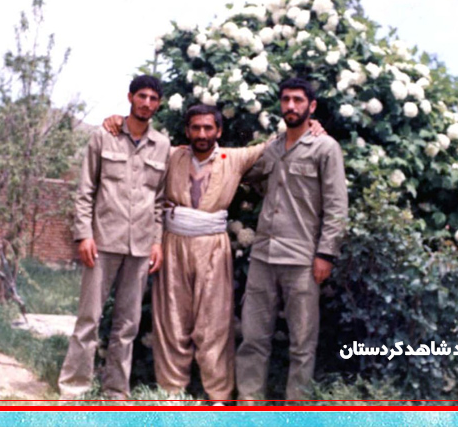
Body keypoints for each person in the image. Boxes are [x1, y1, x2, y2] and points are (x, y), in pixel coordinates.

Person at [102, 104, 325, 404]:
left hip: (213, 247)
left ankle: (218, 394)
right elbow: (141, 142)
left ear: (218, 130)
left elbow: (273, 144)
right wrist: (119, 121)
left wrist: (310, 126)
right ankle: (171, 392)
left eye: (208, 128)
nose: (202, 134)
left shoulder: (233, 158)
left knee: (215, 323)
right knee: (171, 319)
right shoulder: (171, 154)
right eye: (195, 127)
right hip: (174, 243)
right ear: (187, 130)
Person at [58, 75, 171, 401]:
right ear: (130, 97)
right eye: (141, 96)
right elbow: (86, 190)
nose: (146, 103)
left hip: (140, 247)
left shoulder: (162, 145)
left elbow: (159, 201)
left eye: (153, 98)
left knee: (127, 325)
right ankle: (73, 389)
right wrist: (84, 235)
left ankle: (115, 392)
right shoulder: (103, 136)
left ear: (158, 104)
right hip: (103, 242)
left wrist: (156, 241)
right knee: (88, 319)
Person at [236, 77, 348, 403]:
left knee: (302, 344)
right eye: (286, 99)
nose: (291, 106)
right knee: (253, 338)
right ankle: (248, 405)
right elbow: (247, 174)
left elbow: (337, 206)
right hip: (263, 256)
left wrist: (326, 253)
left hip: (302, 259)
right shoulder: (272, 147)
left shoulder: (325, 148)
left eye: (298, 100)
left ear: (311, 106)